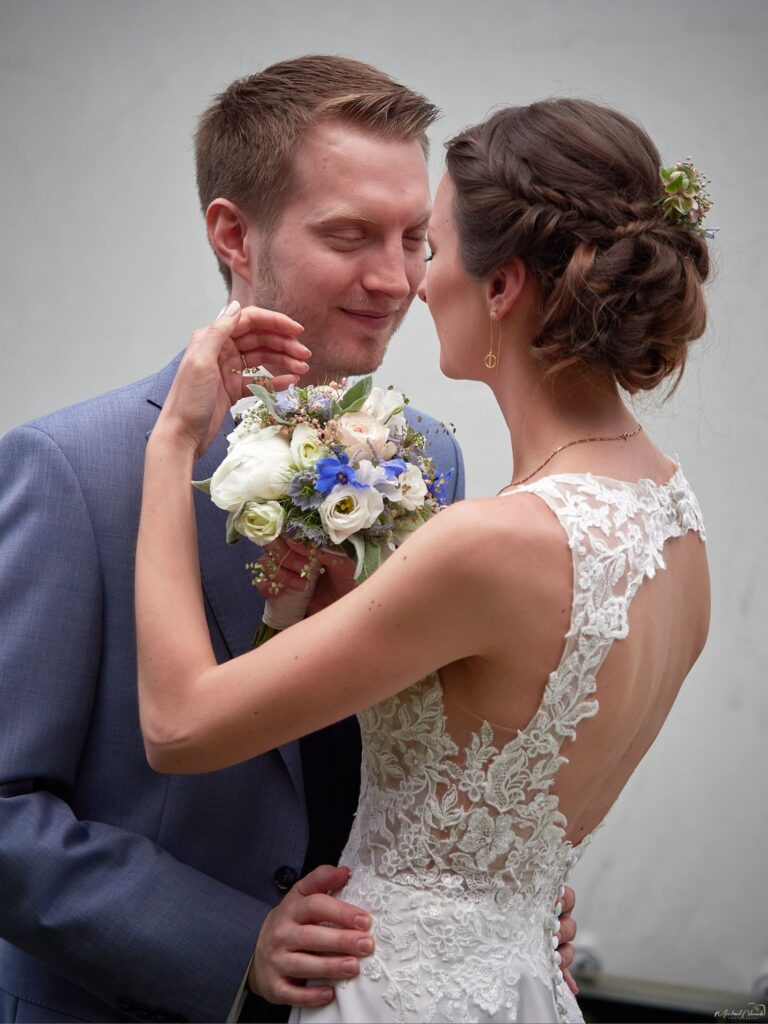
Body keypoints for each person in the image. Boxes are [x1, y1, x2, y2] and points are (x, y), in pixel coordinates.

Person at [135, 96, 711, 1024]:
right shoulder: (679, 528)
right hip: (524, 982)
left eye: (430, 248)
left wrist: (175, 445)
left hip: (397, 990)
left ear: (501, 287)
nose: (411, 283)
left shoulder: (494, 540)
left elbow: (178, 726)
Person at [0, 55, 540, 1024]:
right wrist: (230, 941)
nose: (397, 278)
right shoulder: (70, 469)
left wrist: (499, 901)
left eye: (415, 237)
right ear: (232, 232)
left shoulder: (438, 461)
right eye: (349, 235)